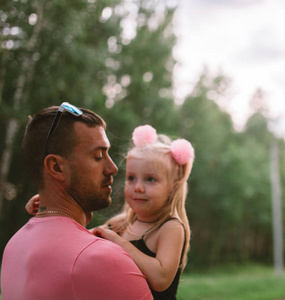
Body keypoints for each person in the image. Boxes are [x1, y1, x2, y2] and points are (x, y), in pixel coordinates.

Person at [1, 102, 153, 300]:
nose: (113, 168)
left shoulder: (13, 247)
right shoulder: (102, 259)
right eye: (98, 156)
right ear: (56, 167)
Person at [25, 124, 195, 300]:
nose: (137, 187)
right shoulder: (123, 222)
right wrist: (51, 204)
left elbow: (161, 279)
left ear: (173, 187)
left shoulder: (170, 227)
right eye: (131, 178)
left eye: (150, 179)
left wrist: (117, 240)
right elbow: (78, 239)